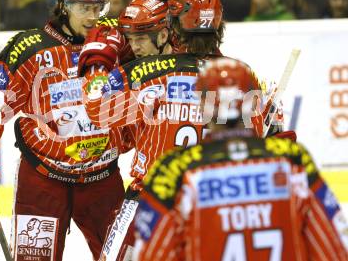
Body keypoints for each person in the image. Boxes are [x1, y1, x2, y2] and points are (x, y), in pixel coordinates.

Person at [0, 0, 128, 261]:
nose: (91, 16)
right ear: (62, 4)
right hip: (44, 180)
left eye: (96, 7)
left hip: (103, 178)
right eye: (82, 7)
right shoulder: (29, 47)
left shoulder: (115, 41)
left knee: (127, 257)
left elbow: (155, 43)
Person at [132, 57, 348, 261]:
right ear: (251, 102)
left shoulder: (174, 171)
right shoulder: (292, 161)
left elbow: (154, 254)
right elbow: (335, 249)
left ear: (203, 105)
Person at [78, 0, 228, 260]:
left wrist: (98, 64)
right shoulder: (238, 76)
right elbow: (271, 137)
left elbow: (96, 107)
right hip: (212, 203)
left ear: (170, 29)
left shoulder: (142, 73)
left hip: (150, 201)